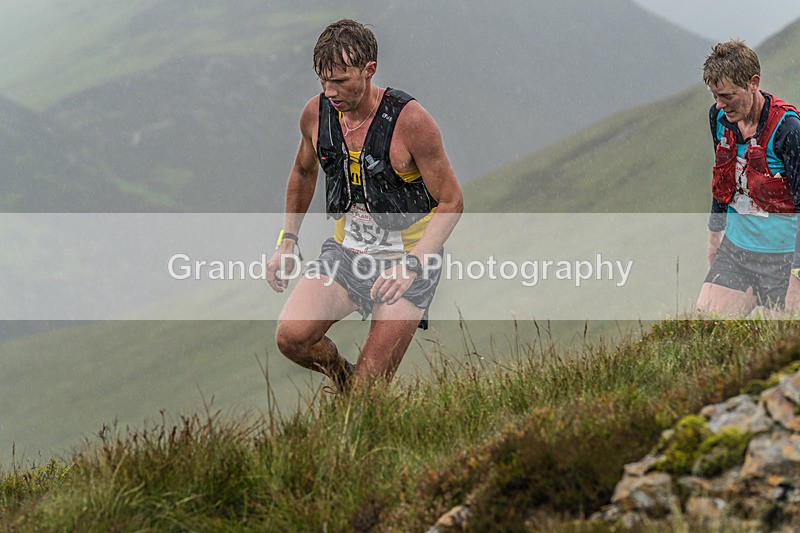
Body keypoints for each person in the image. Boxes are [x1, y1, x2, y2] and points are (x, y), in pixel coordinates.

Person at [266, 19, 463, 390]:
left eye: (340, 81)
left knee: (367, 396)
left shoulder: (410, 121)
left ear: (369, 69)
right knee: (291, 338)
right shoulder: (316, 114)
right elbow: (304, 172)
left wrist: (413, 264)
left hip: (406, 261)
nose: (330, 92)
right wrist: (287, 241)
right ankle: (344, 380)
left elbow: (452, 201)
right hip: (347, 254)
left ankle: (359, 395)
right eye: (323, 81)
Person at [696, 40, 800, 316]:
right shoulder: (719, 119)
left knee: (783, 340)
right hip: (736, 253)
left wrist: (797, 272)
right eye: (715, 96)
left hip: (784, 260)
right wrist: (714, 237)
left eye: (727, 96)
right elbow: (722, 179)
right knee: (705, 326)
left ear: (753, 83)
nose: (720, 105)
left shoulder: (789, 130)